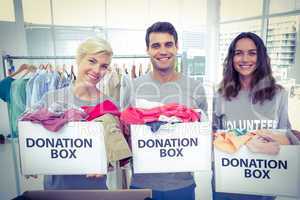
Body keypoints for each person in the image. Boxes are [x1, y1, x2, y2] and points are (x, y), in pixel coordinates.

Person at [121, 21, 207, 200]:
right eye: (155, 46)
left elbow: (202, 134)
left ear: (177, 47)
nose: (162, 51)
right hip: (142, 185)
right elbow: (124, 133)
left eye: (168, 44)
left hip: (182, 185)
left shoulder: (196, 87)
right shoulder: (133, 87)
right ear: (147, 50)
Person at [213, 32, 291, 200]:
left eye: (252, 53)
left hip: (264, 186)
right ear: (231, 59)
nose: (244, 59)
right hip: (228, 185)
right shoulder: (220, 95)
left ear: (261, 57)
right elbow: (214, 137)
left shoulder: (279, 94)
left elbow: (287, 137)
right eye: (238, 53)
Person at [36, 37, 115, 189]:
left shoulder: (110, 105)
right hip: (55, 191)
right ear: (79, 60)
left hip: (94, 191)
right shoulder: (50, 99)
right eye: (92, 61)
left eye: (104, 66)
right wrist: (29, 158)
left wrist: (107, 163)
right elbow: (36, 140)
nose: (97, 70)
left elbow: (113, 155)